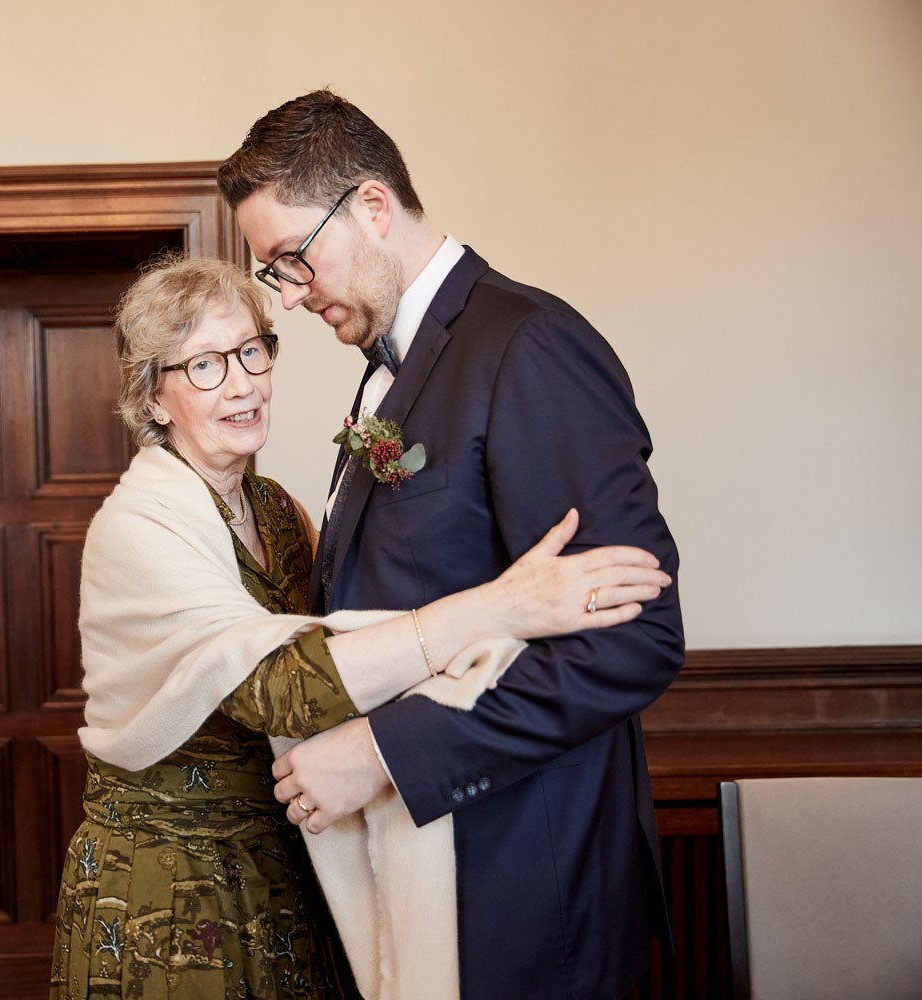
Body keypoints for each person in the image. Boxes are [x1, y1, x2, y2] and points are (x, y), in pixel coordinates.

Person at [49, 254, 671, 998]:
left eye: (251, 350)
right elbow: (284, 691)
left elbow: (348, 633)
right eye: (205, 365)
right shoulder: (137, 528)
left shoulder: (275, 511)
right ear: (154, 397)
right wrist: (505, 605)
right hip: (171, 889)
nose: (242, 383)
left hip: (288, 866)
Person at [216, 90, 685, 999]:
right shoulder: (390, 370)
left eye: (295, 260)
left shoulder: (530, 345)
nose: (293, 295)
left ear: (372, 206)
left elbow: (635, 641)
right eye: (276, 273)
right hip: (422, 878)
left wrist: (381, 753)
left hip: (527, 886)